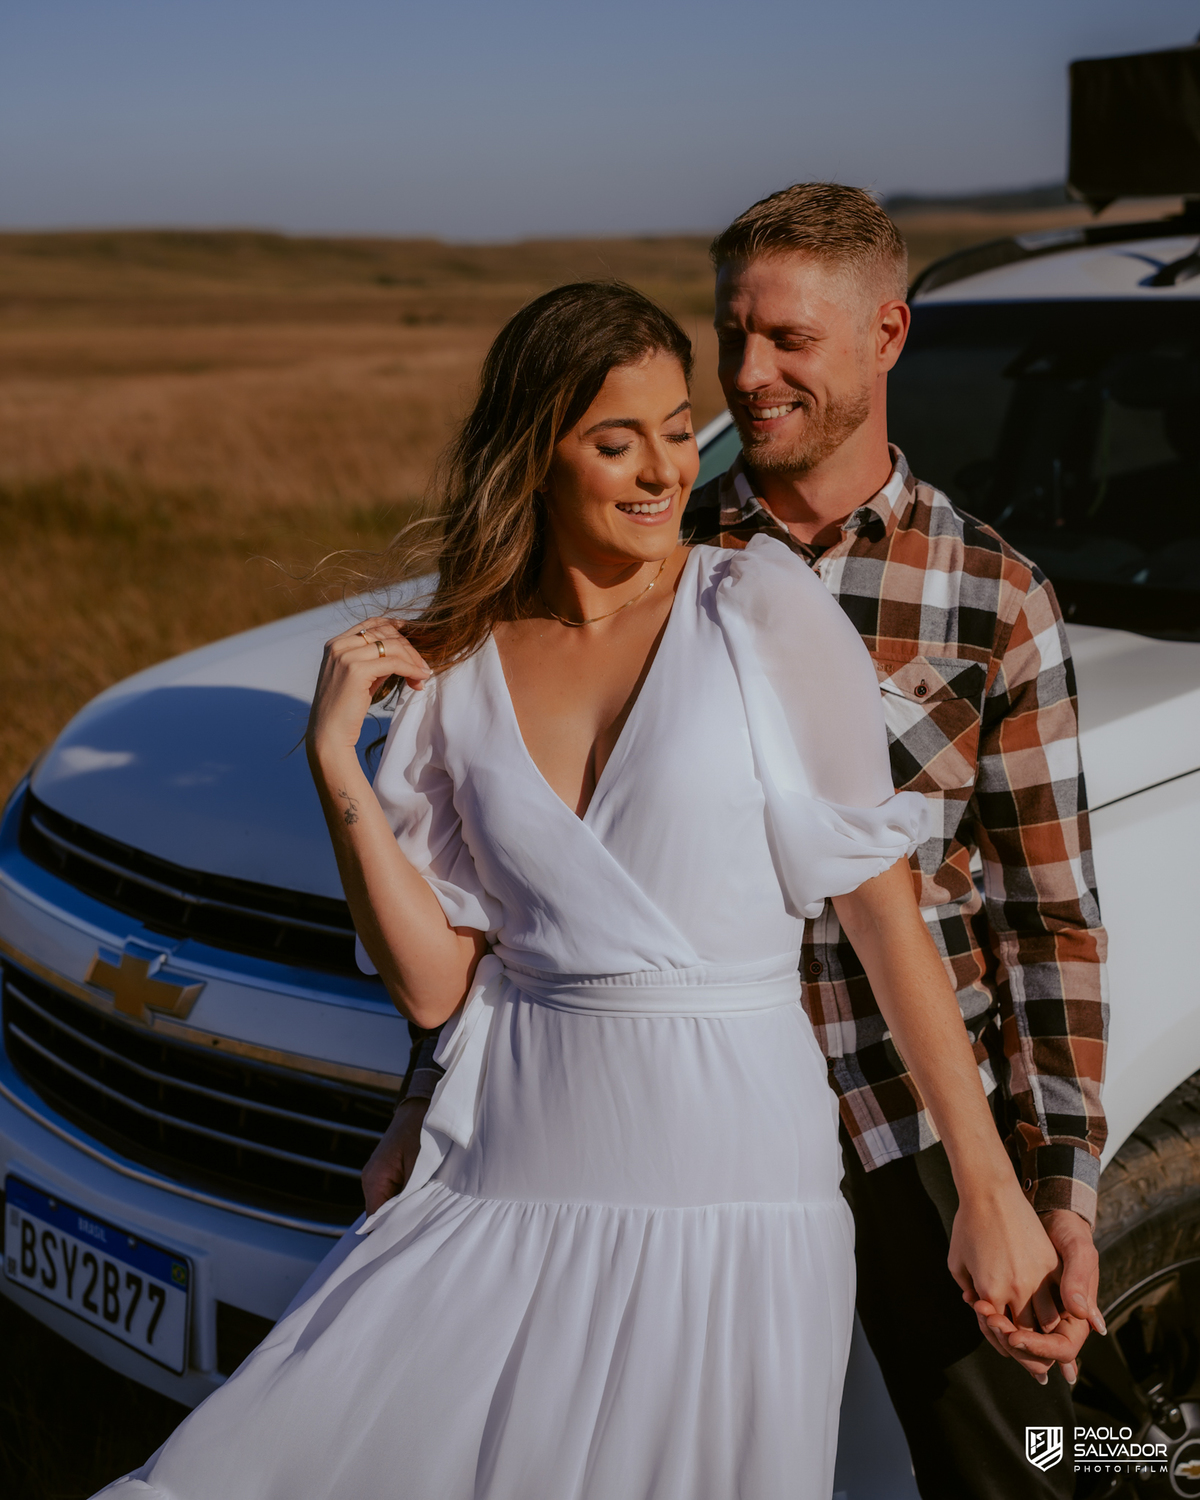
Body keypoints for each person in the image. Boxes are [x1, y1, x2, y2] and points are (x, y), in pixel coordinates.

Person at [95, 280, 1061, 1500]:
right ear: (536, 455)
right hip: (510, 1161)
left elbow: (882, 911)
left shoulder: (760, 607)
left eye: (678, 429)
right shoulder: (458, 667)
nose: (665, 470)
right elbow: (435, 985)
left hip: (738, 1180)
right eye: (618, 441)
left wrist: (989, 1189)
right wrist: (337, 762)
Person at [371, 188, 1110, 1500]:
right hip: (657, 1137)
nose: (748, 374)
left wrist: (1051, 1187)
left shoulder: (993, 599)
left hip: (903, 1119)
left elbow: (1048, 919)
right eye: (731, 336)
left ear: (887, 334)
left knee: (1025, 1468)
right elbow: (513, 892)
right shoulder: (650, 552)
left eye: (790, 340)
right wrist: (424, 1102)